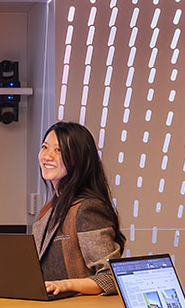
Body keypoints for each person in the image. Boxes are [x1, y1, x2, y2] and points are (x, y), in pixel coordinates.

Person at [32, 122, 124, 296]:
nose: (47, 156)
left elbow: (110, 278)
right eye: (45, 147)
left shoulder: (87, 208)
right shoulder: (47, 211)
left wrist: (65, 285)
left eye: (58, 150)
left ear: (78, 158)